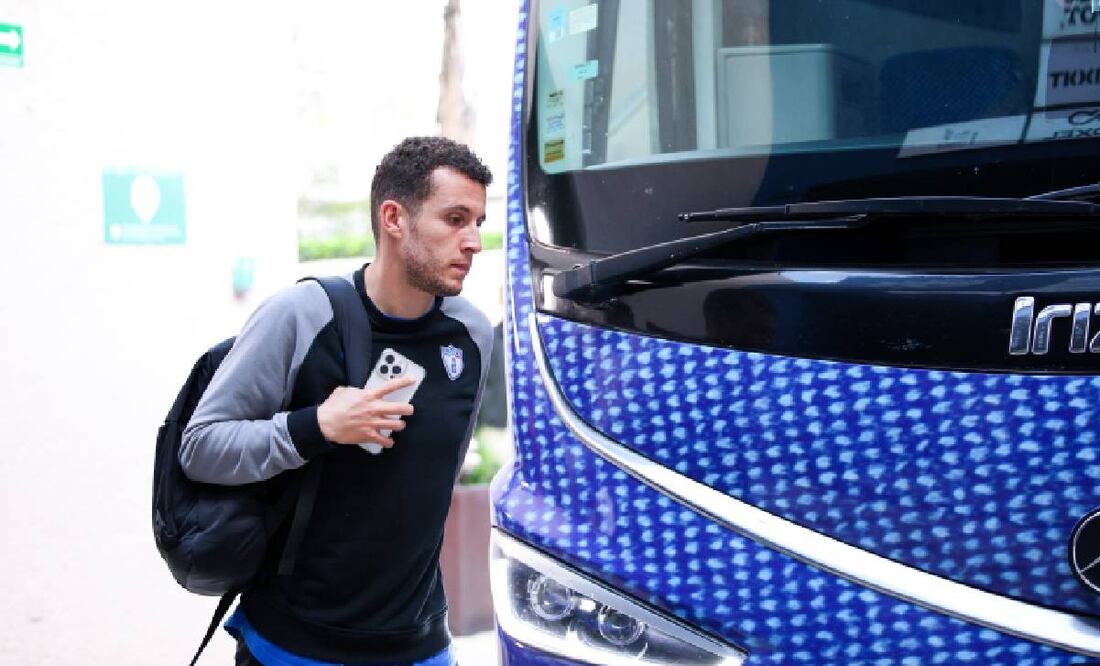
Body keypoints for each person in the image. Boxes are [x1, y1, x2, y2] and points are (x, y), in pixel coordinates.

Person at [179, 136, 494, 665]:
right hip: (293, 645)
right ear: (394, 218)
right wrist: (316, 426)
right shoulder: (302, 316)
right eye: (455, 219)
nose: (474, 242)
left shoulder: (473, 335)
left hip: (421, 646)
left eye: (478, 222)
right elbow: (201, 445)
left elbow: (441, 473)